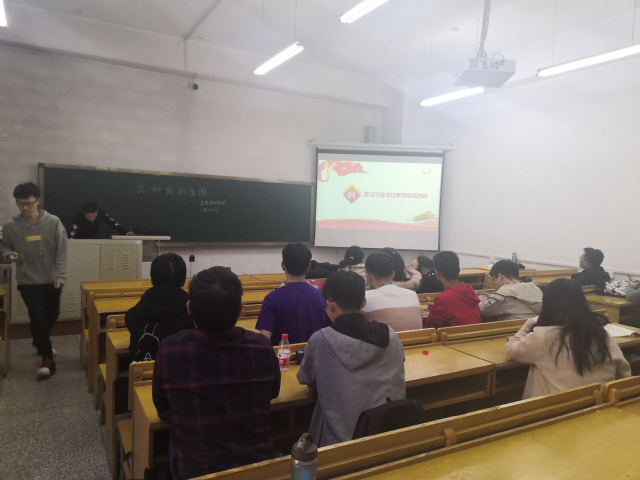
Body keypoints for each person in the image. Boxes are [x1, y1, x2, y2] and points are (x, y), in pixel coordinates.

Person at [152, 267, 281, 479]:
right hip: (256, 470)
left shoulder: (170, 350)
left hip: (194, 472)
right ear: (241, 309)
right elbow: (273, 393)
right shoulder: (261, 348)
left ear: (189, 308)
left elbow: (164, 413)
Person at [297, 270, 405, 447]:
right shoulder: (390, 335)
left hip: (341, 446)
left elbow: (305, 378)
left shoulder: (320, 340)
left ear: (330, 305)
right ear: (363, 303)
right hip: (389, 438)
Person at [506, 278, 630, 399]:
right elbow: (623, 373)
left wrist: (531, 322)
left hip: (556, 408)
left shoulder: (544, 336)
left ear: (547, 305)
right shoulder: (601, 334)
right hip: (599, 405)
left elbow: (511, 348)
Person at [1, 182, 68, 379]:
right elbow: (5, 246)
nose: (25, 208)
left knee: (52, 314)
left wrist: (61, 275)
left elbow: (62, 252)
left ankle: (40, 340)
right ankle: (48, 361)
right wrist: (8, 254)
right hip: (27, 280)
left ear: (38, 201)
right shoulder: (11, 226)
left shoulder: (53, 222)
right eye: (20, 204)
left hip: (51, 279)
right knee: (38, 318)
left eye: (29, 203)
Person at [256, 243, 331, 345]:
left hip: (284, 355)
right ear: (309, 267)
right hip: (315, 354)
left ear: (283, 265)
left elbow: (264, 341)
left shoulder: (272, 299)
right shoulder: (321, 297)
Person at [125, 253, 194, 362]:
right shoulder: (193, 315)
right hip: (180, 369)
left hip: (141, 371)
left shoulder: (134, 315)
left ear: (152, 279)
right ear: (183, 279)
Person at [362, 253, 422, 332]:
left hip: (386, 340)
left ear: (368, 277)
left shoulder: (365, 298)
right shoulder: (413, 295)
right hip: (417, 340)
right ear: (393, 274)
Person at [424, 251, 481, 329]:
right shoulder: (470, 291)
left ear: (437, 273)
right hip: (475, 334)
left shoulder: (443, 299)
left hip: (456, 336)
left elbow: (429, 329)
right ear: (458, 270)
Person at [68, 201, 135, 239]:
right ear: (83, 212)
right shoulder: (78, 217)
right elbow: (73, 232)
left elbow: (112, 222)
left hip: (95, 239)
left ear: (97, 211)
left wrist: (125, 232)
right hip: (80, 240)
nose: (91, 218)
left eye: (93, 215)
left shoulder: (100, 212)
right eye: (88, 216)